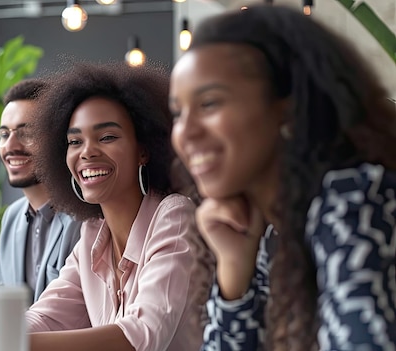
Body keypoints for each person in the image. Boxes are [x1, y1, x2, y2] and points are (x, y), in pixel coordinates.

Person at [169, 4, 396, 350]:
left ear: (288, 107)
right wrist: (234, 272)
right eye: (177, 112)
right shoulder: (271, 232)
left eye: (210, 104)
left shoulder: (357, 201)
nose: (185, 132)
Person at [0, 62, 199, 351]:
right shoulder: (93, 233)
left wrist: (3, 341)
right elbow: (46, 317)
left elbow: (139, 337)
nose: (87, 151)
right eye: (74, 141)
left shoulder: (174, 216)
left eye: (107, 137)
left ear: (144, 150)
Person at [0, 78, 81, 302]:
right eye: (4, 135)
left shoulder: (84, 218)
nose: (10, 147)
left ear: (57, 140)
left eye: (26, 133)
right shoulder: (11, 218)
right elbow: (1, 298)